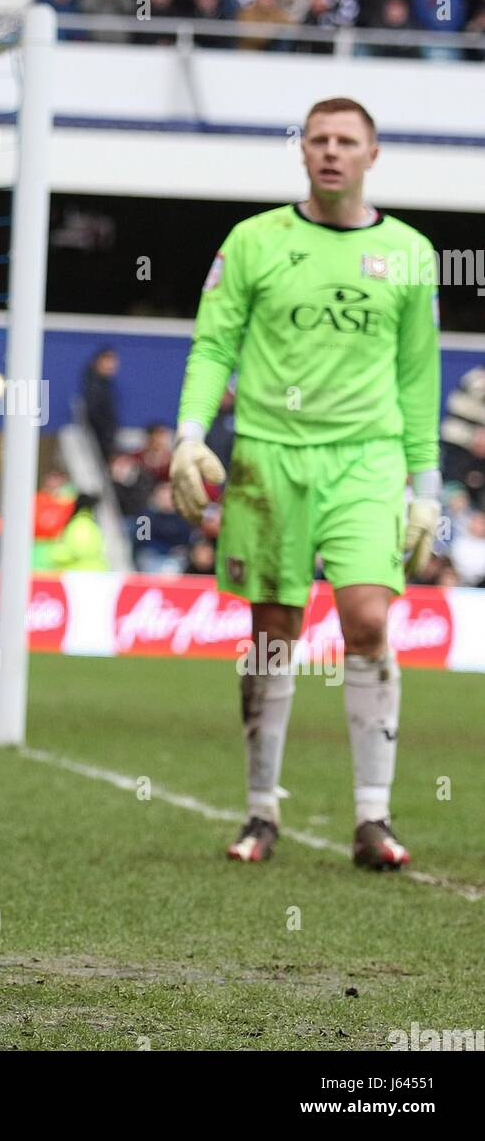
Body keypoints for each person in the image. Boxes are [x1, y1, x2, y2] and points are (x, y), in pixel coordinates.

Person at [171, 97, 441, 871]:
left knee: (365, 619)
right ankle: (261, 812)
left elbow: (418, 379)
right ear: (303, 153)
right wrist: (190, 436)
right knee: (272, 635)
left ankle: (372, 817)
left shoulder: (411, 254)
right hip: (266, 458)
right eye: (318, 139)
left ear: (372, 154)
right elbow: (212, 344)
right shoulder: (254, 241)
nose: (331, 151)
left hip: (367, 458)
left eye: (346, 141)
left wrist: (426, 485)